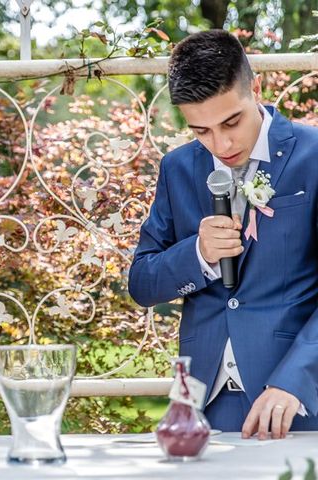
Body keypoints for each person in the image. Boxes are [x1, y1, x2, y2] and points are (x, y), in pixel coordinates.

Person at [129, 30, 318, 439]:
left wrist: (296, 378)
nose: (222, 143)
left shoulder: (314, 154)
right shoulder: (177, 168)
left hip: (297, 399)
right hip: (207, 407)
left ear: (256, 88)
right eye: (201, 131)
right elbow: (142, 282)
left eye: (231, 121)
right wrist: (197, 254)